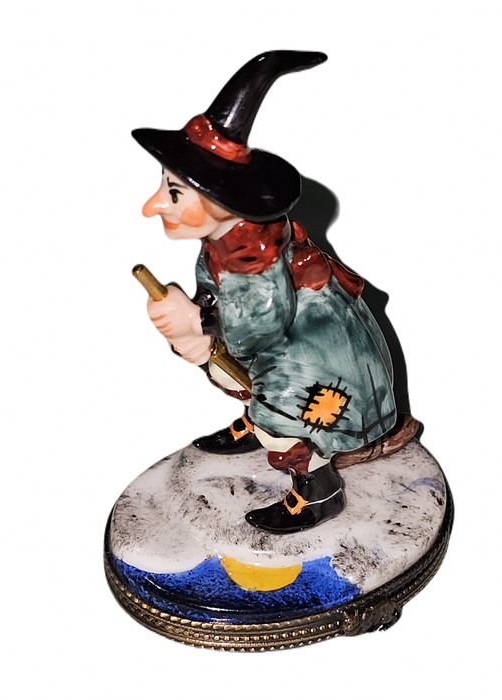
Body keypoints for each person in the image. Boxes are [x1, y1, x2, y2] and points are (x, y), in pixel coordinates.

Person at [133, 51, 397, 533]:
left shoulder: (254, 257)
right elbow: (225, 311)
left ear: (220, 201)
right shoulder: (226, 244)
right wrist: (196, 321)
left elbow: (258, 328)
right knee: (221, 362)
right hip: (285, 352)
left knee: (282, 407)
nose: (153, 206)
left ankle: (317, 490)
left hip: (326, 371)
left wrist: (196, 321)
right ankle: (258, 423)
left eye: (174, 193)